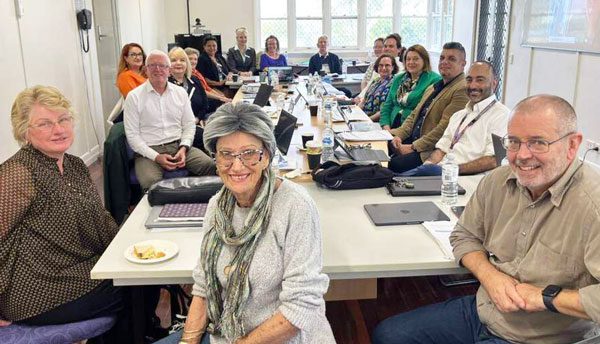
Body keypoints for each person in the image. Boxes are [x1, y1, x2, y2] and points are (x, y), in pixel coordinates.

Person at [372, 94, 600, 344]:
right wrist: (491, 277)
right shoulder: (497, 181)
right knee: (388, 335)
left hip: (543, 336)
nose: (522, 155)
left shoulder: (592, 205)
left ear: (572, 145)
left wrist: (545, 298)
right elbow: (464, 235)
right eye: (513, 142)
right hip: (484, 313)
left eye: (538, 143)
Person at [154, 103, 335, 344]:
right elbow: (204, 287)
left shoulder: (295, 206)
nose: (236, 166)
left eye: (249, 153)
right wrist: (188, 341)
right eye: (225, 154)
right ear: (215, 160)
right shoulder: (216, 206)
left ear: (266, 156)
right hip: (226, 333)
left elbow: (301, 306)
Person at [0, 85, 129, 342]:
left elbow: (100, 221)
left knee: (134, 278)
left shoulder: (75, 165)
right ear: (25, 131)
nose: (59, 130)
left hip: (75, 268)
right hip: (34, 287)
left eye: (63, 119)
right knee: (128, 289)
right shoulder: (19, 173)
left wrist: (129, 246)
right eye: (45, 124)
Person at [124, 50, 216, 190]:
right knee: (151, 184)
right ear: (146, 70)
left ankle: (200, 205)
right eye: (152, 65)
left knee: (210, 166)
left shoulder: (180, 93)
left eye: (162, 66)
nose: (158, 69)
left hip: (178, 145)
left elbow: (189, 125)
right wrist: (156, 157)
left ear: (169, 70)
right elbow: (132, 136)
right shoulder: (134, 97)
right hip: (148, 152)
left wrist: (184, 147)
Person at [399, 61, 509, 176]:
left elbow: (494, 160)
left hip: (464, 179)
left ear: (494, 84)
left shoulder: (502, 116)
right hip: (442, 174)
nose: (473, 86)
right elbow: (441, 150)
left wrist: (449, 170)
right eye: (469, 80)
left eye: (480, 80)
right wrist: (427, 167)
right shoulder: (459, 115)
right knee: (393, 182)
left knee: (392, 179)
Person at [388, 42, 469, 173]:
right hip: (414, 140)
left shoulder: (462, 89)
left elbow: (444, 129)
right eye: (442, 58)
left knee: (392, 165)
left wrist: (413, 147)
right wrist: (399, 135)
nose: (444, 62)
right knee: (380, 147)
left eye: (451, 59)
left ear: (463, 64)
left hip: (428, 150)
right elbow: (414, 115)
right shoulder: (435, 86)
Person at [379, 44, 441, 130]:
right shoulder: (398, 78)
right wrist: (386, 127)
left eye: (415, 59)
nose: (411, 62)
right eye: (408, 59)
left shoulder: (434, 80)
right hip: (390, 125)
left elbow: (426, 113)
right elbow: (387, 106)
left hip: (412, 129)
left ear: (424, 60)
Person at [168, 47, 210, 152]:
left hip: (196, 124)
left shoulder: (194, 81)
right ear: (167, 64)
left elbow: (205, 105)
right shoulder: (165, 85)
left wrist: (197, 119)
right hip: (177, 131)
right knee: (209, 138)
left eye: (182, 60)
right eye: (174, 60)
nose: (178, 63)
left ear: (187, 64)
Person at [185, 47, 232, 112]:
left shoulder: (196, 72)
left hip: (205, 96)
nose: (193, 61)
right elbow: (202, 92)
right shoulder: (188, 75)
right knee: (220, 102)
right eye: (190, 59)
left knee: (224, 98)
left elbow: (207, 87)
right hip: (200, 100)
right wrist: (220, 98)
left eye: (195, 59)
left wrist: (220, 96)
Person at [357, 53, 399, 120]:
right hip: (364, 117)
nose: (383, 68)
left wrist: (368, 120)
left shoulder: (395, 83)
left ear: (393, 67)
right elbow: (363, 102)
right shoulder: (375, 81)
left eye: (387, 65)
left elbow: (385, 110)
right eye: (381, 65)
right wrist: (355, 114)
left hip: (376, 120)